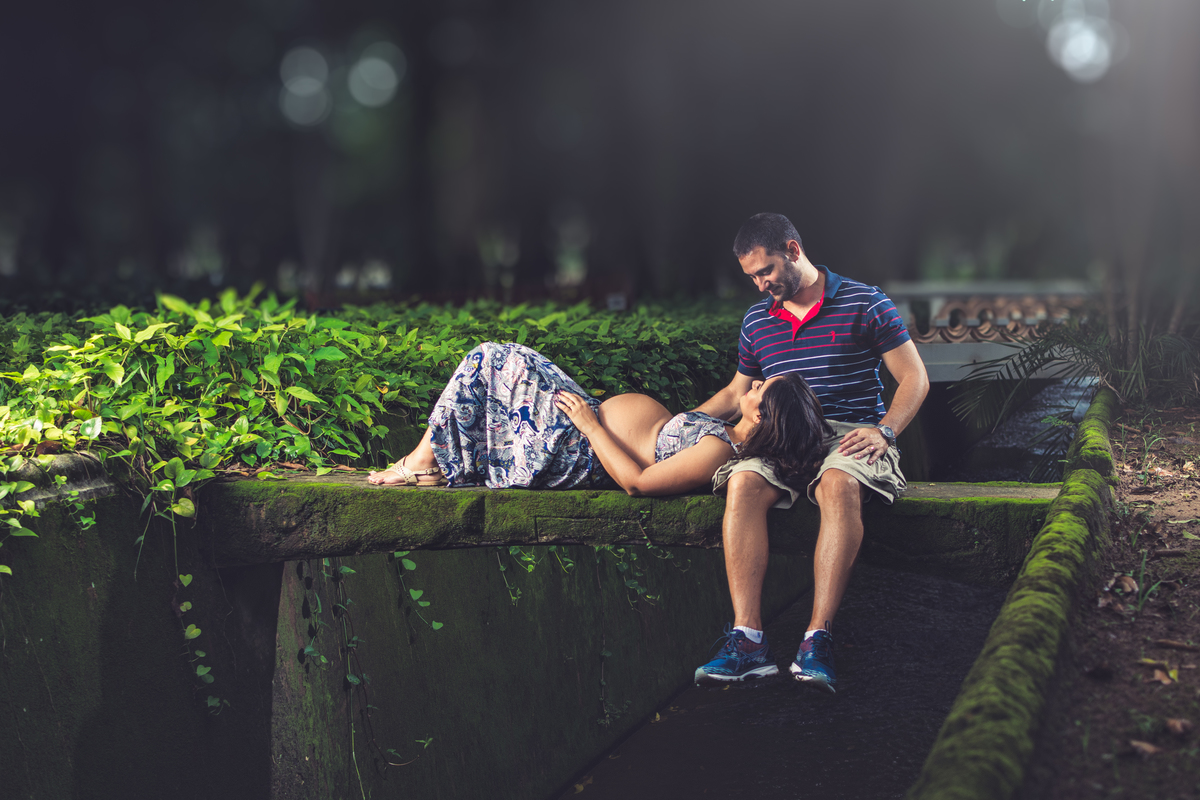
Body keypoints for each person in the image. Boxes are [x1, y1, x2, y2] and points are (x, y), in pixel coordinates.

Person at [692, 212, 929, 693]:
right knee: (742, 482)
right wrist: (684, 424)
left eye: (765, 272)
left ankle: (816, 640)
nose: (760, 285)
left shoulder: (865, 302)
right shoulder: (758, 320)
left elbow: (914, 378)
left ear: (793, 250)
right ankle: (749, 642)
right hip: (780, 436)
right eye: (752, 277)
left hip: (850, 433)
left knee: (839, 483)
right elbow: (735, 392)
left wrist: (885, 431)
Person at [367, 341, 830, 501]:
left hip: (580, 447)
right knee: (500, 361)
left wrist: (591, 426)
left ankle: (420, 463)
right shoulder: (724, 430)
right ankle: (426, 463)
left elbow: (640, 483)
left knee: (490, 359)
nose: (752, 386)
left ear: (764, 414)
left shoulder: (719, 451)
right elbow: (725, 396)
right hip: (585, 422)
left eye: (759, 390)